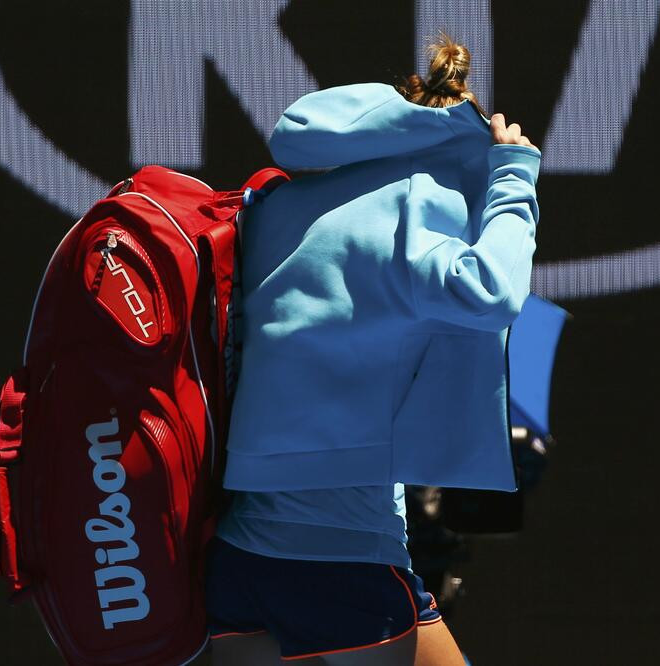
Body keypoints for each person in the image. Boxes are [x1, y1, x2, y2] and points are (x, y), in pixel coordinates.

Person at [205, 34, 540, 665]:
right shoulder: (419, 201)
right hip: (343, 562)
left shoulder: (280, 204)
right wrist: (513, 177)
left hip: (239, 559)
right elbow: (489, 292)